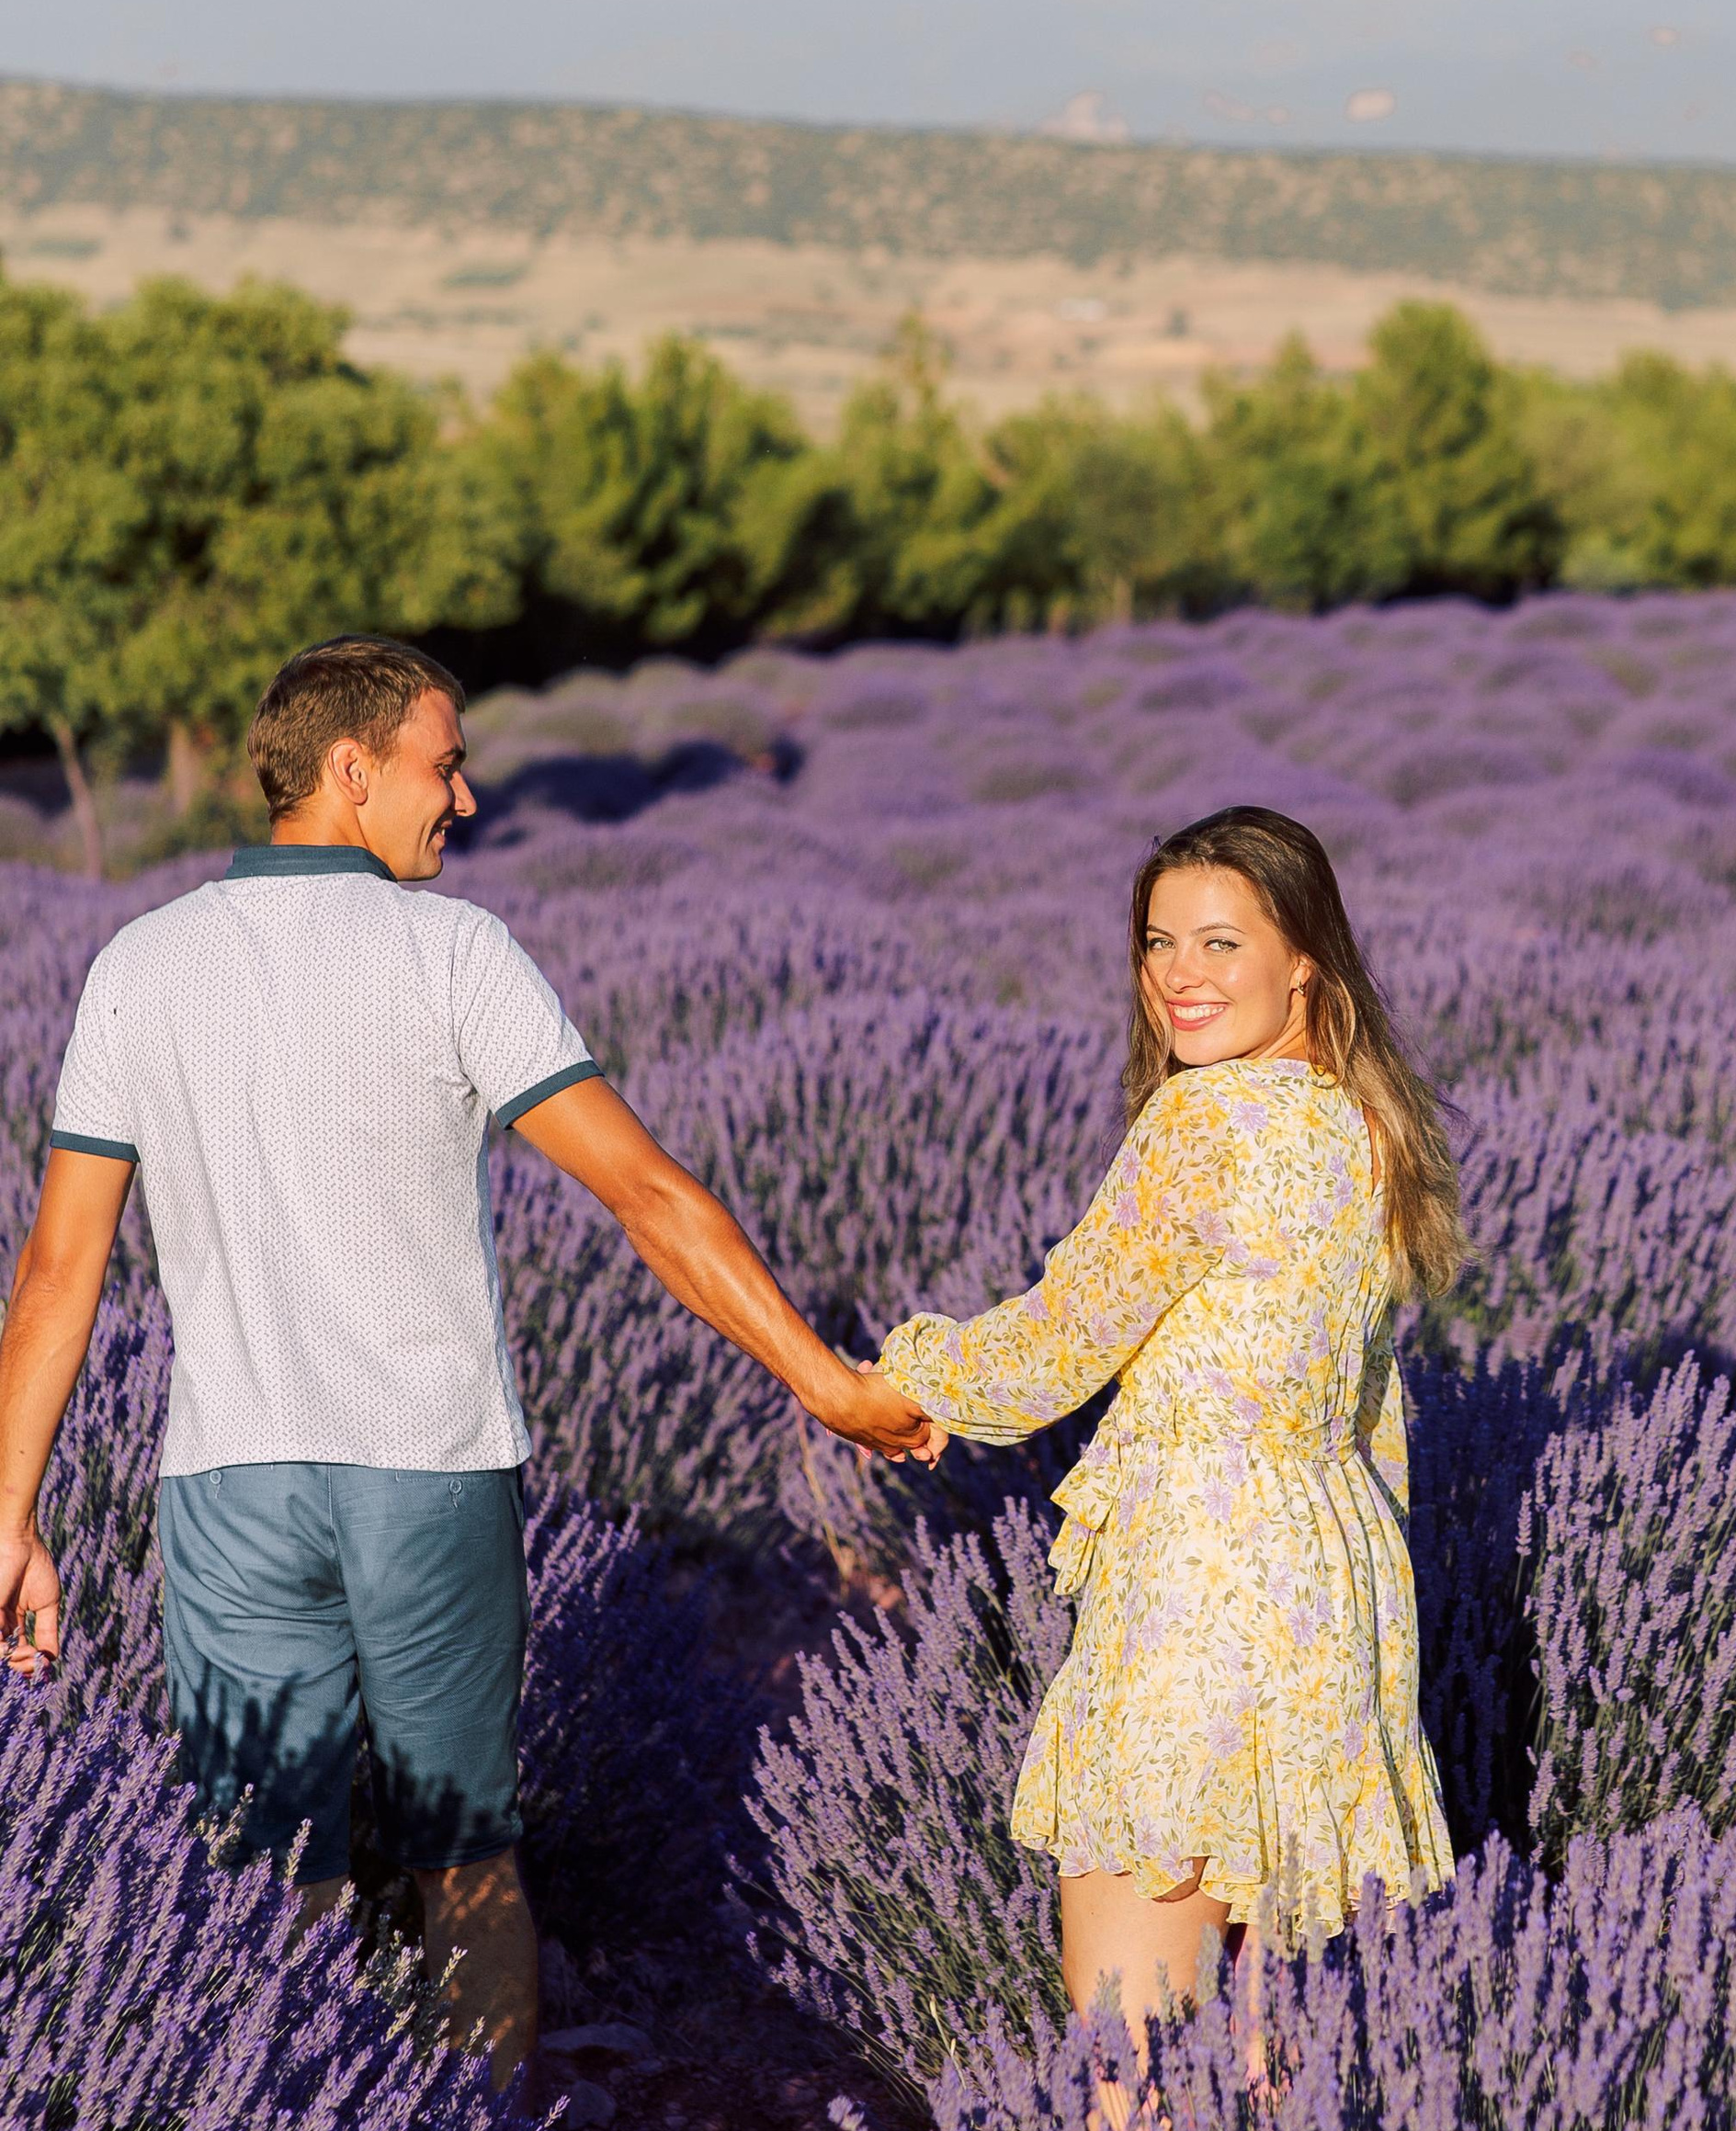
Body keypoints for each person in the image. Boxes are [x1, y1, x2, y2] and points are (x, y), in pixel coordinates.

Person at [0, 635, 936, 2093]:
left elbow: (60, 1272)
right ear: (350, 770)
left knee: (268, 1873)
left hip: (228, 1483)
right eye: (444, 766)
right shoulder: (455, 954)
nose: (469, 799)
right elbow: (647, 1195)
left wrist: (11, 1515)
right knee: (468, 1856)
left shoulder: (139, 965)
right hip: (427, 1473)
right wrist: (822, 1380)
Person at [878, 804, 1465, 2055]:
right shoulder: (1363, 1124)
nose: (1179, 976)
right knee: (1273, 2054)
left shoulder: (1207, 1121)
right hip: (1335, 1591)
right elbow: (1376, 1414)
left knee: (1132, 2053)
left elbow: (1054, 1348)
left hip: (1197, 1598)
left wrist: (899, 1380)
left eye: (1219, 943)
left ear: (1304, 957)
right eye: (1159, 943)